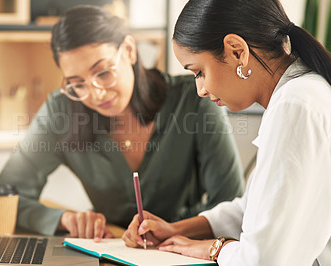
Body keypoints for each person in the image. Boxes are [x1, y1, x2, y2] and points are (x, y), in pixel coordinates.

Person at [0, 5, 244, 240]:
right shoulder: (61, 111)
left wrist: (173, 231)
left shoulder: (193, 101)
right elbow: (2, 197)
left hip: (184, 252)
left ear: (129, 50)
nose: (96, 94)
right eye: (77, 83)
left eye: (103, 73)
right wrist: (65, 220)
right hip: (107, 252)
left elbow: (232, 205)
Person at [122, 0, 331, 265]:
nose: (200, 90)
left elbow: (261, 260)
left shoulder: (295, 105)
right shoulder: (299, 94)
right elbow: (252, 208)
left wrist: (215, 248)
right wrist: (176, 230)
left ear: (236, 51)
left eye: (199, 72)